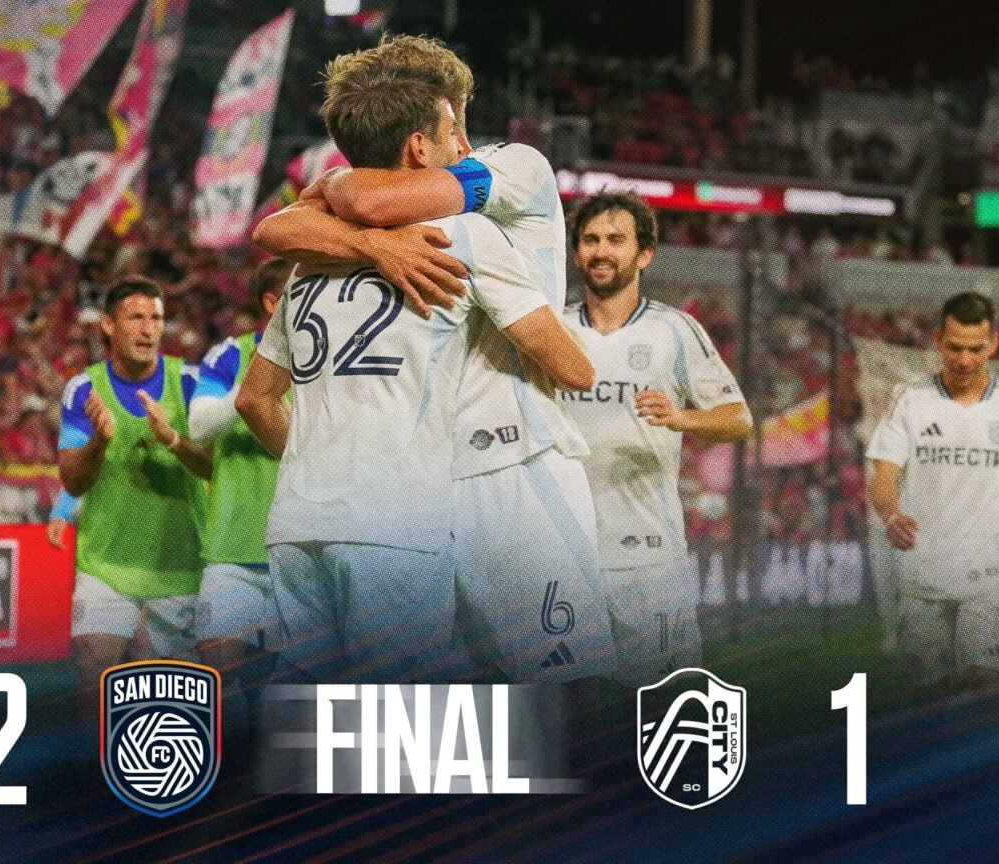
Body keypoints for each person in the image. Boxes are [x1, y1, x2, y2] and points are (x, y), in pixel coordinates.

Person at [254, 35, 616, 686]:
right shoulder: (415, 232)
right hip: (421, 486)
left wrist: (336, 185)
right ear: (423, 134)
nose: (465, 142)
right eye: (453, 126)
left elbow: (348, 207)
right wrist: (371, 237)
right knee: (452, 700)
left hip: (513, 463)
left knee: (564, 686)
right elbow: (279, 228)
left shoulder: (512, 166)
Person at [561, 194, 753, 687]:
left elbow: (738, 419)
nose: (601, 251)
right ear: (577, 252)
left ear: (645, 254)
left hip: (646, 552)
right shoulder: (553, 330)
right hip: (560, 551)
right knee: (564, 705)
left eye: (616, 240)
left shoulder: (674, 330)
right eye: (590, 240)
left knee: (662, 702)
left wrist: (681, 417)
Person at [868, 292, 999, 698]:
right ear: (937, 340)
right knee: (930, 699)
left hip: (990, 578)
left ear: (993, 344)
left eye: (975, 348)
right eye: (955, 347)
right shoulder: (910, 401)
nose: (965, 359)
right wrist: (891, 514)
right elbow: (883, 477)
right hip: (922, 577)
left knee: (986, 689)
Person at [58, 278, 213, 700]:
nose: (148, 329)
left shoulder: (191, 382)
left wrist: (172, 439)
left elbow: (214, 466)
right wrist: (98, 443)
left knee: (171, 705)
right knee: (92, 682)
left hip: (180, 573)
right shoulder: (83, 389)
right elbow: (72, 480)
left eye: (156, 319)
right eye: (136, 318)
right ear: (108, 325)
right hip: (105, 570)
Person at [187, 261, 286, 715]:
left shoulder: (331, 356)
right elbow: (199, 428)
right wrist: (247, 394)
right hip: (234, 550)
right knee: (217, 682)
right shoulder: (230, 355)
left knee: (289, 690)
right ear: (272, 302)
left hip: (301, 549)